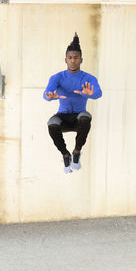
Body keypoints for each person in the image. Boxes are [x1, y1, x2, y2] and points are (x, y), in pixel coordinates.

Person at [43, 33, 102, 173]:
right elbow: (45, 95)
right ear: (65, 60)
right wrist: (52, 97)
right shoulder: (57, 77)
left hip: (78, 118)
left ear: (81, 60)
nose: (73, 61)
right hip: (62, 117)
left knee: (85, 116)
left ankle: (76, 152)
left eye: (76, 58)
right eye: (70, 58)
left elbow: (98, 93)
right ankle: (65, 154)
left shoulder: (88, 78)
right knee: (51, 123)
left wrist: (89, 93)